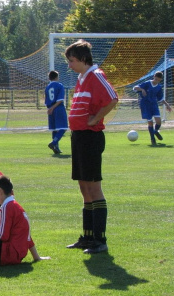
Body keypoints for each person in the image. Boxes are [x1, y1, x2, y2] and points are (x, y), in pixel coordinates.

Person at [64, 40, 118, 254]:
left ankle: (99, 239)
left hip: (90, 138)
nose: (70, 65)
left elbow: (112, 98)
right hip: (78, 137)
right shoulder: (82, 78)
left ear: (84, 60)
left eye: (72, 61)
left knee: (94, 188)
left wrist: (96, 118)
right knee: (84, 188)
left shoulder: (96, 75)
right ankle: (87, 237)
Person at [133, 71, 171, 145]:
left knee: (158, 121)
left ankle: (155, 131)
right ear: (154, 77)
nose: (157, 81)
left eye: (159, 80)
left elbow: (160, 98)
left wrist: (167, 105)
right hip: (145, 105)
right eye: (156, 79)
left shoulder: (159, 87)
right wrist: (142, 89)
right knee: (150, 122)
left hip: (154, 105)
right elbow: (135, 88)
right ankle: (152, 139)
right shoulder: (147, 83)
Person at [45, 70, 68, 154]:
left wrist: (50, 108)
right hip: (58, 108)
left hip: (50, 109)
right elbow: (60, 100)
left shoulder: (47, 87)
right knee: (63, 128)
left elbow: (46, 101)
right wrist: (54, 107)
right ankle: (53, 143)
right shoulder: (59, 85)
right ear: (56, 77)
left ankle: (56, 148)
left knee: (54, 129)